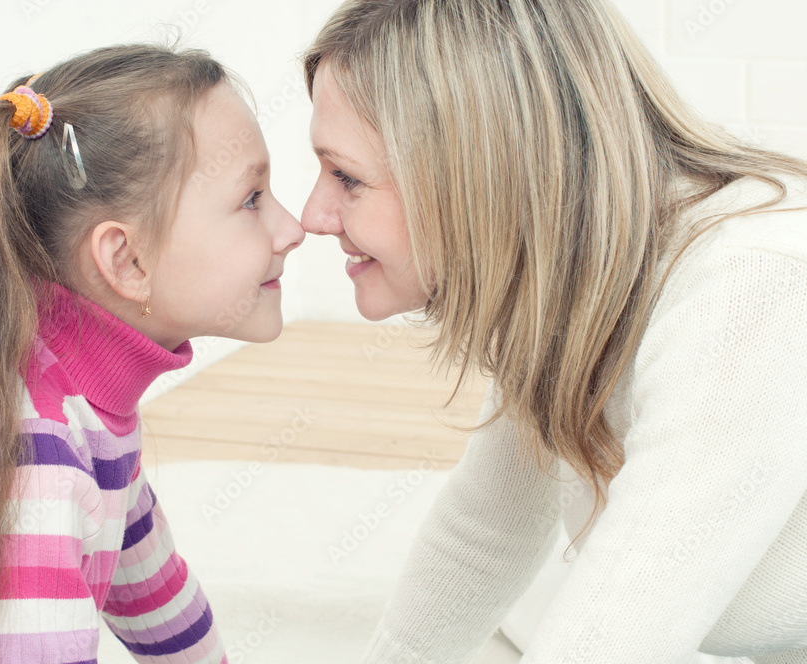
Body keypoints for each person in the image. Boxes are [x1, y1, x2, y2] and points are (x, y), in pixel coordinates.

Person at [299, 0, 807, 662]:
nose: (312, 214)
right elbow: (485, 529)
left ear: (475, 171)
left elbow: (624, 622)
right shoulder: (567, 278)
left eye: (346, 176)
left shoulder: (752, 283)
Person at [0, 43, 303, 663]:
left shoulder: (85, 400)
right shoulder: (37, 455)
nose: (293, 227)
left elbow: (151, 589)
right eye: (252, 199)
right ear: (126, 260)